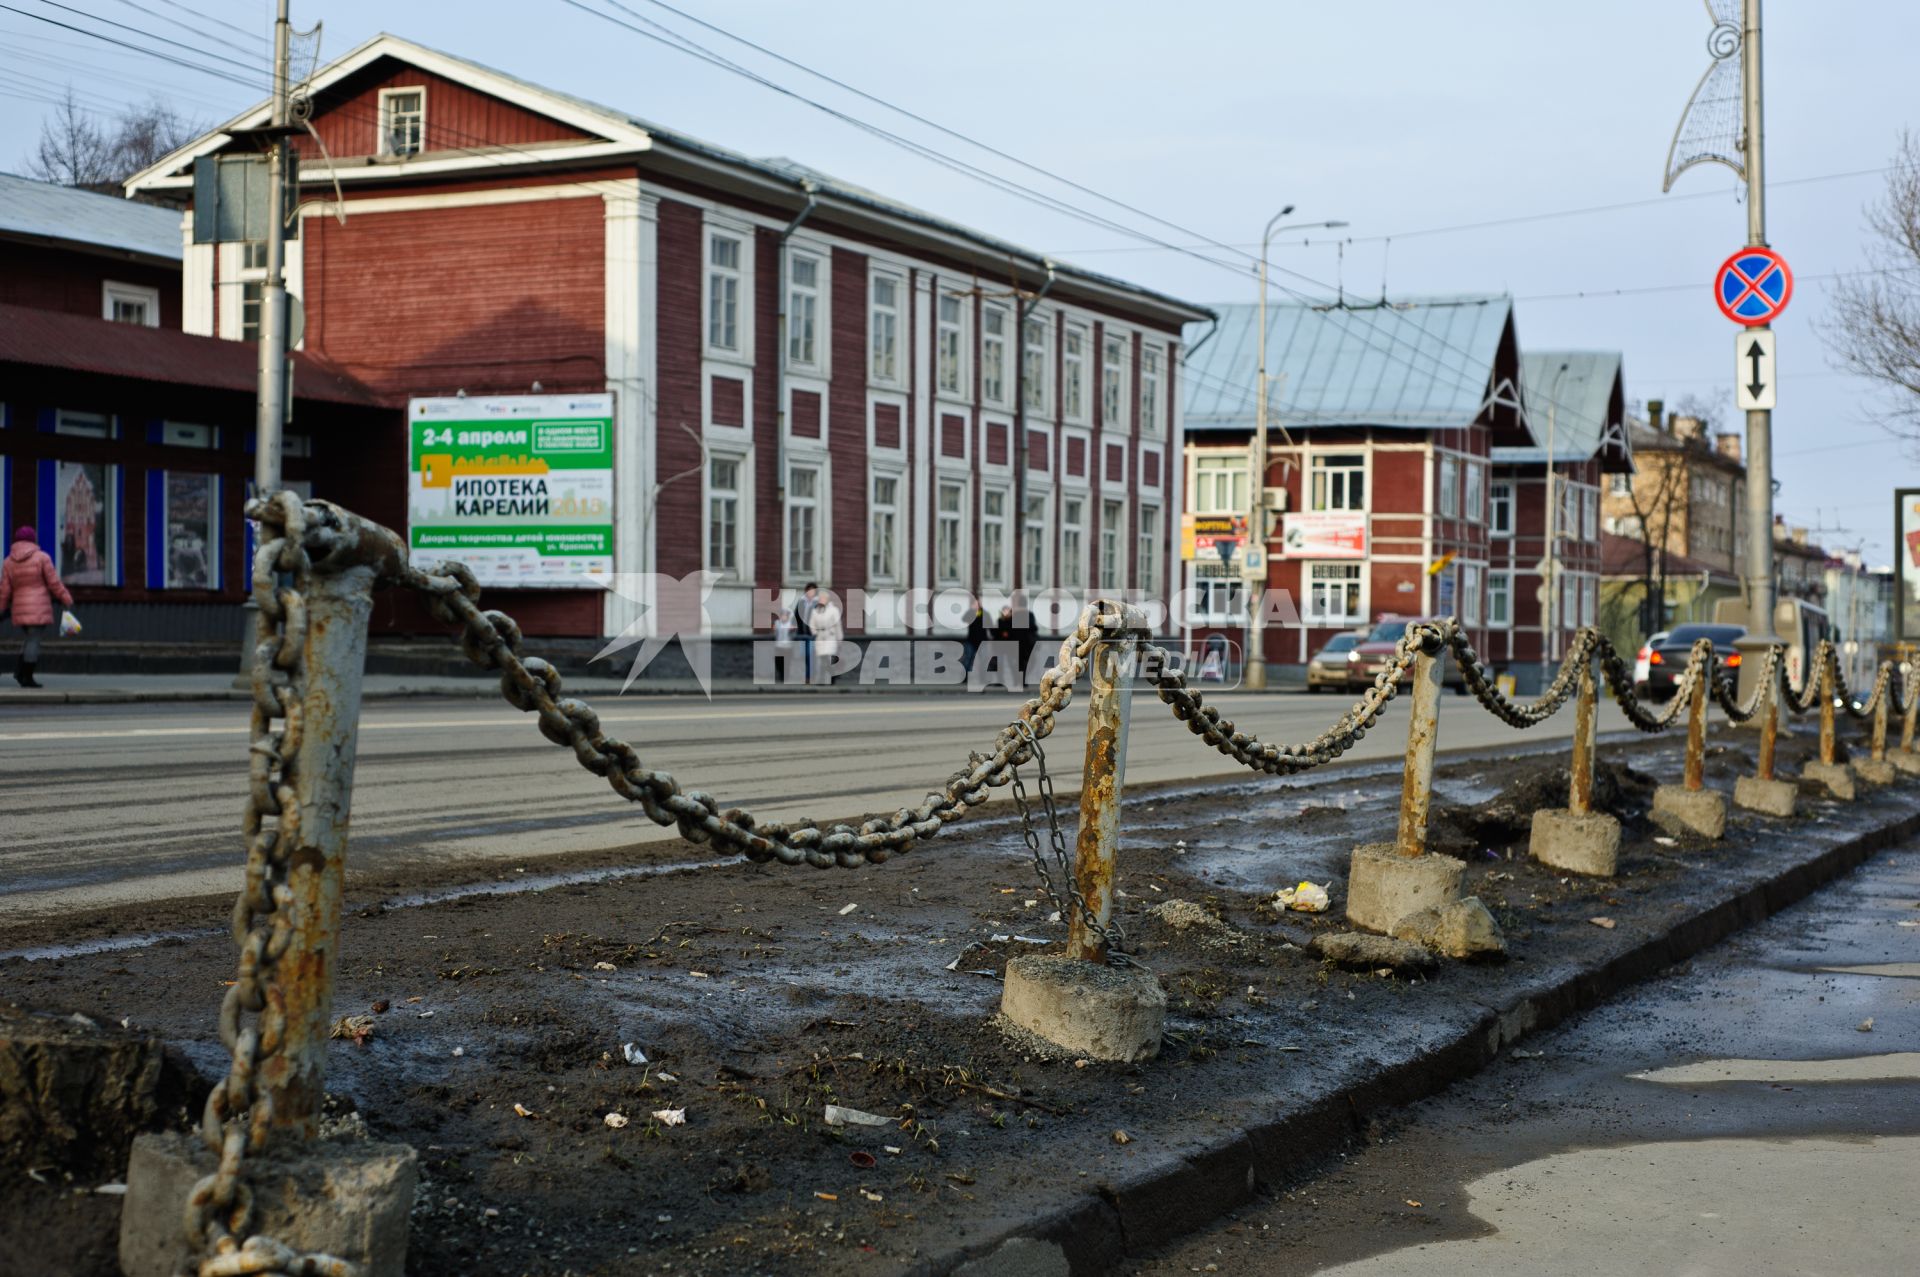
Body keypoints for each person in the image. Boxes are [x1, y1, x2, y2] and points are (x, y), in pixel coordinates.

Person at [0, 526, 73, 689]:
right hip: (38, 607)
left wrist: (1, 608)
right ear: (33, 539)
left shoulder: (8, 562)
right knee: (33, 641)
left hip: (20, 608)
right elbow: (54, 583)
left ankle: (20, 672)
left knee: (29, 639)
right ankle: (27, 676)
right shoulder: (42, 558)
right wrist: (65, 598)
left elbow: (4, 590)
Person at [808, 589, 844, 686]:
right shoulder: (815, 611)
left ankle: (828, 677)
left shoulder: (833, 610)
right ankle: (827, 677)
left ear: (827, 599)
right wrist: (814, 632)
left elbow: (837, 625)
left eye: (823, 598)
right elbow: (812, 624)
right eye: (820, 598)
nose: (821, 600)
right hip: (820, 637)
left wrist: (839, 638)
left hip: (830, 637)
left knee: (827, 658)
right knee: (822, 659)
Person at [795, 582, 819, 682]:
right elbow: (796, 616)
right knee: (802, 655)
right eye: (809, 590)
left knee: (810, 655)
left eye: (813, 591)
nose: (810, 592)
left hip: (812, 635)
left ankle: (809, 677)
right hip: (802, 634)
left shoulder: (817, 604)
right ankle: (807, 675)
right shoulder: (801, 602)